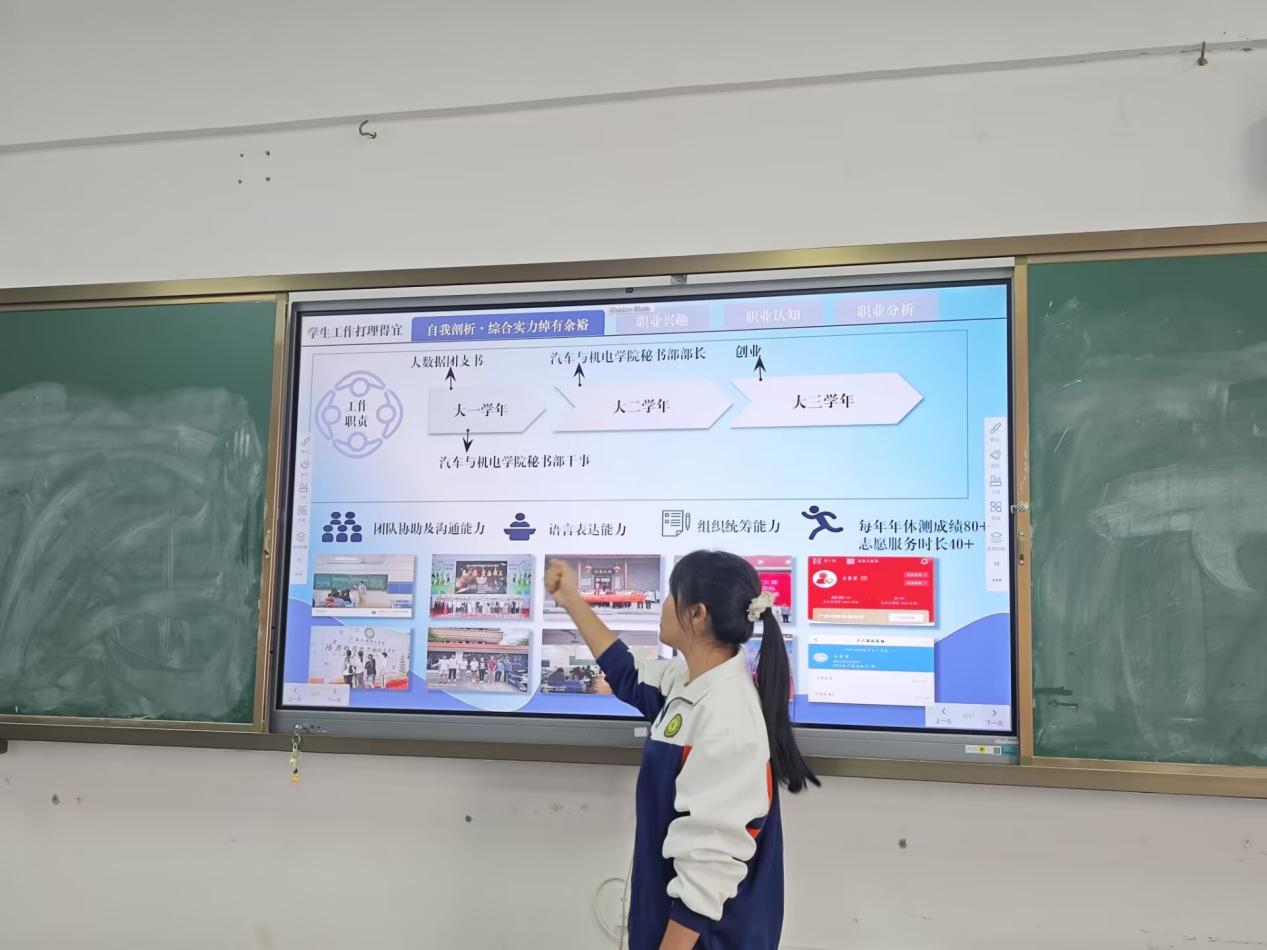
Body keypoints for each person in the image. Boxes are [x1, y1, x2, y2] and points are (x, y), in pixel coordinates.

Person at [545, 552, 816, 950]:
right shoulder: (690, 681)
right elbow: (627, 673)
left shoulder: (727, 716)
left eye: (672, 594)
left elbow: (707, 874)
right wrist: (571, 599)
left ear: (697, 614)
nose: (663, 603)